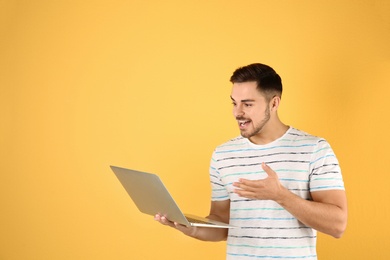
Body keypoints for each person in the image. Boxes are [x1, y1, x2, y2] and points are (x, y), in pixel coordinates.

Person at [155, 63, 347, 259]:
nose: (237, 112)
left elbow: (337, 225)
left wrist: (280, 195)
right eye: (234, 103)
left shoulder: (314, 149)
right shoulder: (223, 155)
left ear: (274, 103)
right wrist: (190, 228)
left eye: (247, 104)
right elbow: (222, 223)